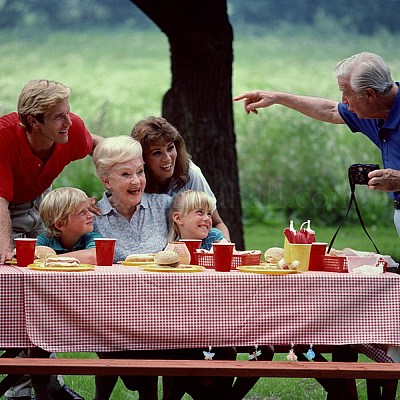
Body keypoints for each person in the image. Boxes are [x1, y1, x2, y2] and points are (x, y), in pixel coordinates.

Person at [0, 79, 102, 400]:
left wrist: (125, 165)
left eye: (68, 113)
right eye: (59, 116)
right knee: (16, 296)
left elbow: (97, 145)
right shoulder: (3, 137)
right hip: (4, 205)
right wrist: (5, 251)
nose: (69, 122)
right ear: (33, 121)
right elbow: (0, 200)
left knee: (45, 292)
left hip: (35, 201)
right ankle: (20, 391)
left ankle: (49, 385)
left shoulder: (69, 133)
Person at [234, 52, 400, 236]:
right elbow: (330, 110)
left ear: (369, 94)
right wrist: (277, 98)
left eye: (346, 93)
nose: (344, 101)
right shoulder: (375, 112)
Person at [167, 189, 274, 400]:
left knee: (265, 349)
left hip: (226, 320)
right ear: (178, 218)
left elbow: (234, 264)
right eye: (199, 212)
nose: (207, 219)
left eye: (208, 213)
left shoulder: (215, 237)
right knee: (226, 351)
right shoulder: (172, 250)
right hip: (188, 327)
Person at [92, 135, 172, 399]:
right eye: (125, 174)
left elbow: (205, 218)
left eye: (139, 171)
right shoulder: (92, 216)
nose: (136, 181)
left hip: (161, 313)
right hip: (110, 314)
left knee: (144, 371)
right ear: (106, 181)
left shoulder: (164, 206)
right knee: (117, 351)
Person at [130, 116, 230, 240]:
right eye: (157, 153)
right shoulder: (134, 179)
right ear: (142, 158)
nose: (167, 158)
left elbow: (217, 222)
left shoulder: (191, 173)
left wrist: (226, 249)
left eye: (170, 148)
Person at [37, 187, 101, 264]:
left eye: (88, 210)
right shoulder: (44, 240)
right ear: (61, 224)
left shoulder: (91, 237)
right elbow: (32, 256)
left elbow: (94, 256)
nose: (91, 215)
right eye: (82, 212)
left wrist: (52, 259)